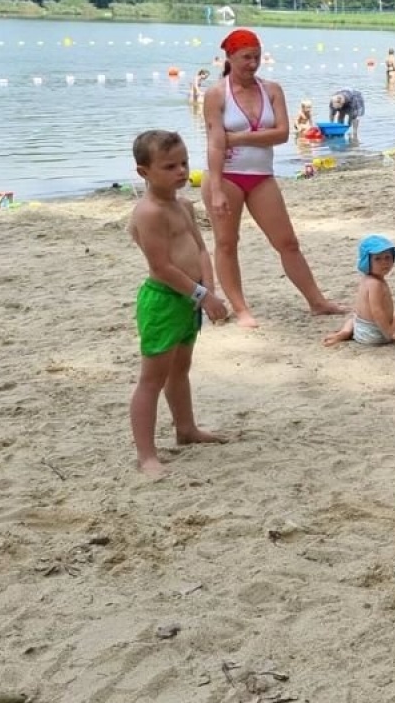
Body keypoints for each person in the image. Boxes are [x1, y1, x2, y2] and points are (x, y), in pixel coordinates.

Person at [202, 29, 342, 327]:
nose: (252, 64)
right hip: (226, 175)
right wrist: (215, 189)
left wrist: (237, 137)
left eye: (256, 57)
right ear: (229, 57)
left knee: (287, 241)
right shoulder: (216, 94)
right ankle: (241, 309)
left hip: (261, 175)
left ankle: (317, 301)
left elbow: (281, 134)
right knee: (227, 243)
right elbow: (214, 143)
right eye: (246, 58)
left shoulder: (272, 90)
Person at [128, 130, 230, 479]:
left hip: (191, 297)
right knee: (152, 378)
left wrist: (209, 289)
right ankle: (146, 455)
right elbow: (161, 267)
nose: (182, 171)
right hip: (164, 301)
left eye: (184, 163)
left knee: (180, 369)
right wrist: (202, 295)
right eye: (170, 166)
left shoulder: (183, 205)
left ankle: (186, 429)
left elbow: (200, 249)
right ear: (144, 172)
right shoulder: (149, 212)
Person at [323, 235, 395, 347]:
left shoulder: (366, 280)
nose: (384, 262)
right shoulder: (376, 284)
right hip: (375, 334)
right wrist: (391, 333)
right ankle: (388, 333)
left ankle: (345, 331)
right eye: (377, 259)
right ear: (367, 262)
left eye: (387, 257)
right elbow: (377, 311)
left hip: (359, 329)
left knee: (354, 317)